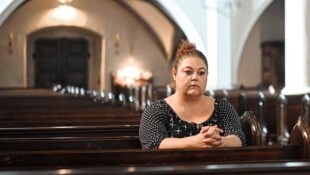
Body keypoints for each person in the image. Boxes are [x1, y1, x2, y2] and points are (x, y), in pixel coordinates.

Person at [139, 40, 246, 149]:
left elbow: (238, 138)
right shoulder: (156, 109)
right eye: (188, 72)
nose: (195, 77)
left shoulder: (222, 107)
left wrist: (219, 141)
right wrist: (195, 141)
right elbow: (153, 143)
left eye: (201, 73)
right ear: (175, 74)